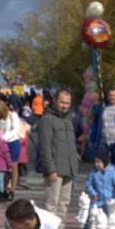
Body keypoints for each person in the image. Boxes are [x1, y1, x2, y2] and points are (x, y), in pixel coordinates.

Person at [33, 89, 79, 219]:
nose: (64, 106)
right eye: (62, 102)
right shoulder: (47, 119)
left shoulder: (69, 119)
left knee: (64, 203)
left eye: (67, 103)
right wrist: (50, 169)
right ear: (55, 101)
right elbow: (44, 146)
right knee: (51, 203)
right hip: (55, 170)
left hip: (69, 169)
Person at [83, 147, 115, 229]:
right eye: (95, 162)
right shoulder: (93, 173)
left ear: (105, 162)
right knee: (92, 215)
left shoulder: (113, 173)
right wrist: (93, 193)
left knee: (112, 217)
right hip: (96, 200)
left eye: (98, 162)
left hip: (109, 201)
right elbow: (88, 184)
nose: (96, 164)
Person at [0, 100, 22, 199]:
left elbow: (15, 129)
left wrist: (4, 138)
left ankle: (12, 190)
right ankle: (4, 190)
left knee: (13, 167)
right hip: (2, 144)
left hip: (12, 142)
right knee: (3, 168)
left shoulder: (13, 115)